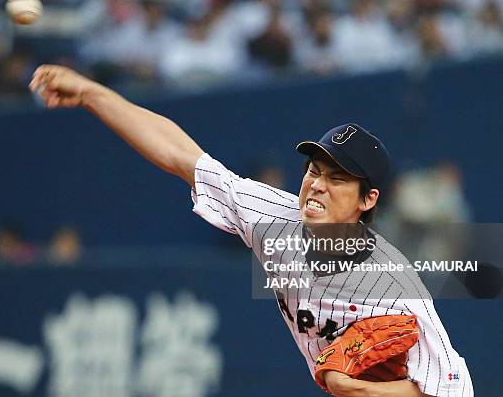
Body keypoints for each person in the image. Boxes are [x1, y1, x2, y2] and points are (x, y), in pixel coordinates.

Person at [29, 65, 474, 396]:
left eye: (337, 178)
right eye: (313, 170)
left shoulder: (393, 283)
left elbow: (456, 387)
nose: (317, 184)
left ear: (368, 200)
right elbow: (179, 154)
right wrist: (92, 93)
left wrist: (358, 389)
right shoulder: (271, 216)